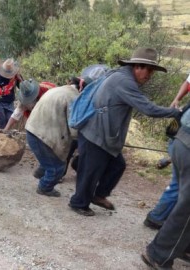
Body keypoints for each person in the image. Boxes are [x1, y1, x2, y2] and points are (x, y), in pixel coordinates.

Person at [68, 47, 181, 216]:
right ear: (137, 66)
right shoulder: (124, 82)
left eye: (152, 71)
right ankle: (78, 203)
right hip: (97, 133)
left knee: (117, 165)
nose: (149, 75)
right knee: (91, 170)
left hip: (100, 133)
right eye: (148, 70)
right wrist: (174, 112)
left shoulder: (119, 75)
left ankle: (98, 194)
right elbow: (148, 109)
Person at [141, 108, 190, 270]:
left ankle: (182, 247)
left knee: (181, 197)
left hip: (181, 140)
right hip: (186, 145)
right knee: (186, 209)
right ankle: (159, 254)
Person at [144, 73, 190, 229]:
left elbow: (187, 82)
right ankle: (157, 217)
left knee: (178, 183)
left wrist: (177, 99)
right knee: (179, 184)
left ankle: (160, 216)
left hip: (178, 138)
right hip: (181, 139)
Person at [25, 83, 80, 197]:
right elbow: (74, 127)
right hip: (42, 135)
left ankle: (40, 173)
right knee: (58, 168)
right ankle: (45, 187)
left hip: (32, 130)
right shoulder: (73, 98)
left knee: (48, 159)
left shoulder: (57, 90)